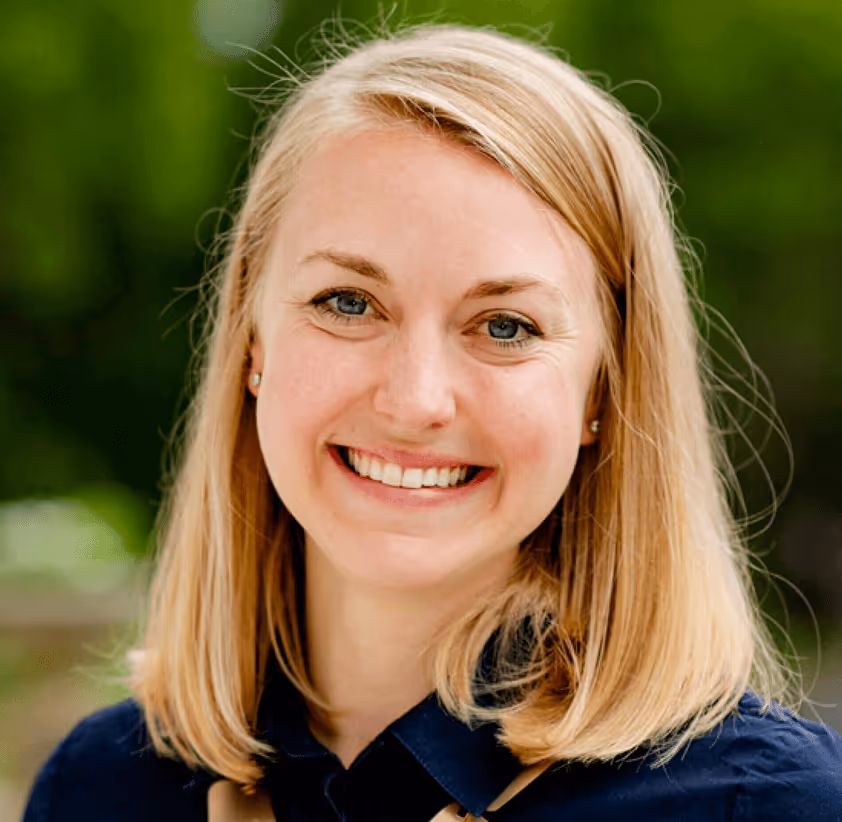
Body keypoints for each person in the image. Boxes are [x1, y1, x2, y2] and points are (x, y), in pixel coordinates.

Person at [22, 20, 842, 822]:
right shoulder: (99, 788)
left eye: (506, 326)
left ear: (602, 389)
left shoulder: (762, 805)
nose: (415, 400)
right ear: (251, 341)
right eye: (348, 303)